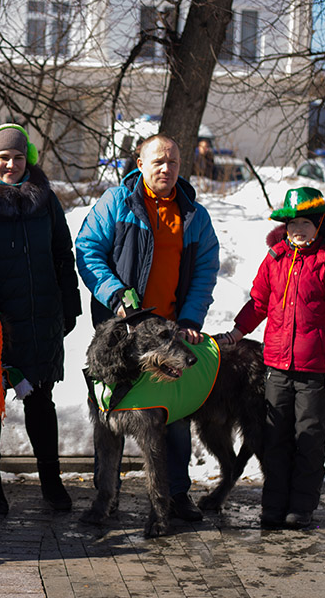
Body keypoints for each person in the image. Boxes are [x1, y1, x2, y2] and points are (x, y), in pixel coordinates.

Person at [75, 133, 220, 522]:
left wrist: (190, 320)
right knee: (109, 412)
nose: (166, 169)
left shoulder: (194, 215)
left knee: (171, 416)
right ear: (140, 164)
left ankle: (176, 495)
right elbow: (87, 250)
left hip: (168, 334)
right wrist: (117, 295)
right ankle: (106, 497)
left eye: (172, 162)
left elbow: (205, 271)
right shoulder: (116, 203)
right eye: (157, 161)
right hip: (120, 333)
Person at [0, 123, 82, 513]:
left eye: (18, 157)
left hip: (41, 318)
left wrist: (69, 304)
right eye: (3, 157)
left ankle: (51, 481)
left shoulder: (45, 200)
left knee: (41, 400)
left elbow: (63, 251)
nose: (11, 164)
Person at [215, 187, 325, 529]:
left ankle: (301, 507)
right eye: (293, 222)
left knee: (308, 437)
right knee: (274, 437)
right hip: (276, 367)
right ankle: (273, 505)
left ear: (320, 223)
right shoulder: (276, 259)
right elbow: (259, 302)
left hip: (315, 371)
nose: (298, 229)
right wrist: (236, 333)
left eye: (305, 223)